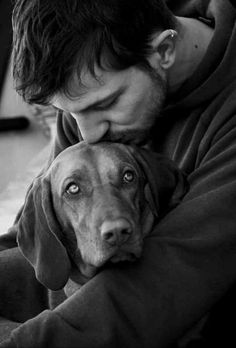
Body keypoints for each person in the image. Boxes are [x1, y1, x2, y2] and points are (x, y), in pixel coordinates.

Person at [1, 0, 236, 346]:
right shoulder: (93, 89)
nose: (88, 136)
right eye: (70, 113)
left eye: (104, 104)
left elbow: (163, 282)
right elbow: (34, 235)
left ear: (165, 50)